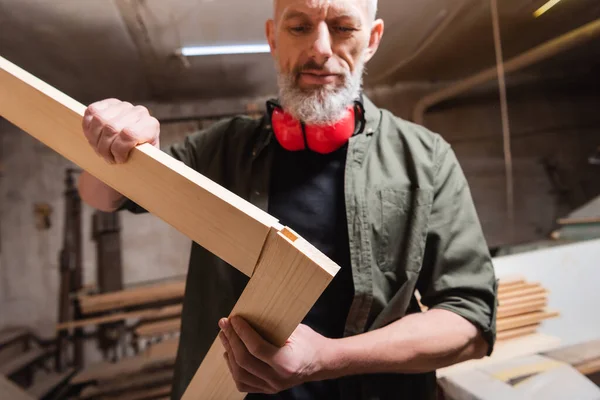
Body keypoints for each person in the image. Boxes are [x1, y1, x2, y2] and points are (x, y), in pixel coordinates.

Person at [77, 0, 498, 399]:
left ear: (371, 39)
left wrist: (327, 360)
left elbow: (471, 322)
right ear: (273, 38)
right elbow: (101, 196)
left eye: (343, 27)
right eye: (299, 27)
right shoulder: (219, 149)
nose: (320, 49)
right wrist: (112, 149)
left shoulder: (425, 158)